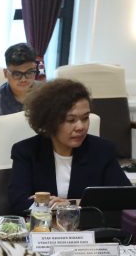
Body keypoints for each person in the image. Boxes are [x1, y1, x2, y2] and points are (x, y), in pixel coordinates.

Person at [8, 79, 132, 214]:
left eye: (85, 118)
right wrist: (51, 206)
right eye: (71, 120)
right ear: (49, 121)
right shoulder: (26, 151)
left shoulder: (102, 150)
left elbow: (125, 197)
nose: (80, 127)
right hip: (41, 225)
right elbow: (18, 202)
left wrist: (71, 204)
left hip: (87, 226)